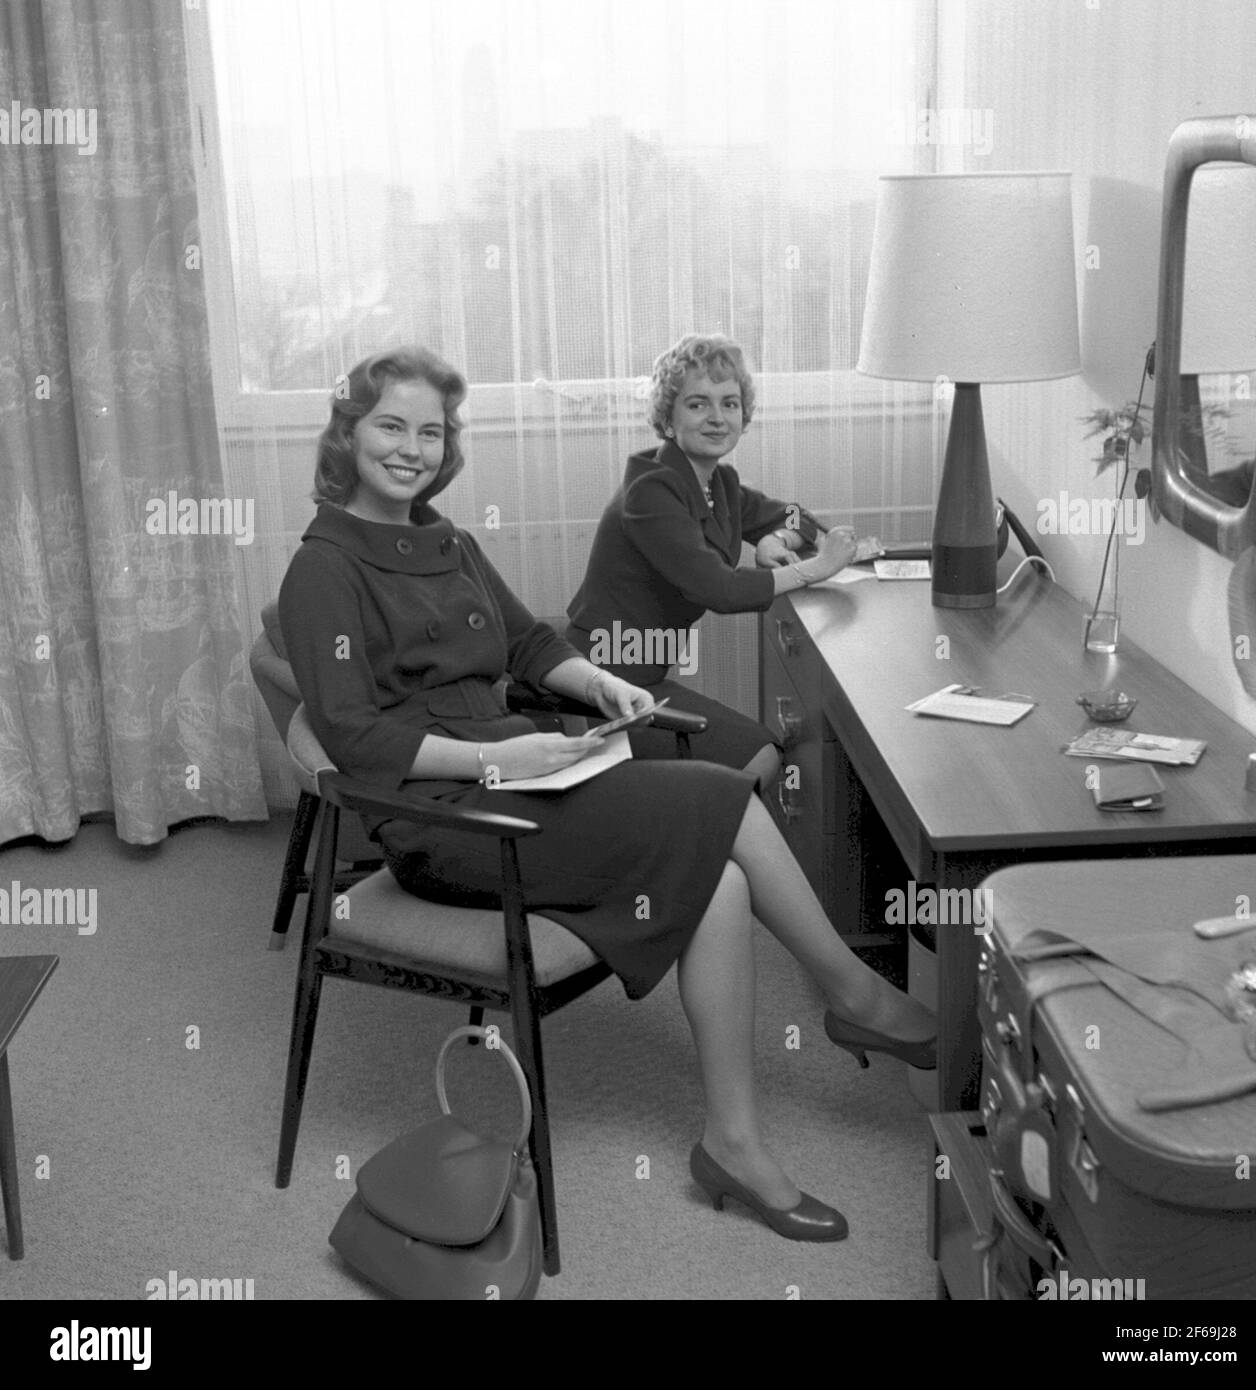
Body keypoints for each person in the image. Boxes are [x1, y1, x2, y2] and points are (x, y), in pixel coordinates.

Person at [277, 346, 935, 1244]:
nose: (411, 449)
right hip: (448, 820)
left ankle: (734, 1144)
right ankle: (853, 997)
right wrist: (502, 765)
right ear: (348, 431)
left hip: (516, 770)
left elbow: (526, 645)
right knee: (720, 798)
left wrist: (597, 686)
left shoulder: (448, 541)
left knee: (724, 882)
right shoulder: (323, 567)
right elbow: (351, 738)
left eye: (430, 431)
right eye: (390, 426)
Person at [565, 333, 861, 788]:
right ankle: (703, 852)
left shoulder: (716, 482)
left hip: (642, 675)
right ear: (668, 418)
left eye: (730, 404)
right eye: (699, 404)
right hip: (602, 687)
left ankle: (708, 850)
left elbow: (795, 516)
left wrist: (771, 538)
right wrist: (816, 569)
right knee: (757, 760)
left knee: (759, 757)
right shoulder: (653, 490)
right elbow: (718, 590)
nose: (718, 418)